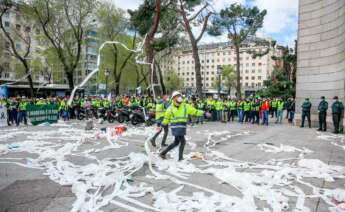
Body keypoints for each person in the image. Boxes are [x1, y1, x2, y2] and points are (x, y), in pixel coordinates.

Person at [159, 91, 204, 161]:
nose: (179, 97)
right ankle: (180, 158)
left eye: (179, 96)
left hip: (182, 127)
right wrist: (161, 125)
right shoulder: (170, 108)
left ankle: (163, 153)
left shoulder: (186, 106)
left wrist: (203, 113)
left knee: (176, 142)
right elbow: (166, 119)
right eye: (177, 96)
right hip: (175, 128)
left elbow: (194, 111)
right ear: (173, 98)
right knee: (183, 141)